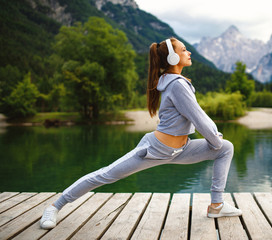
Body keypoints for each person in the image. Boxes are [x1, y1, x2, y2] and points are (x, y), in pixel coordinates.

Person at [39, 37, 242, 229]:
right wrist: (214, 140)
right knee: (106, 174)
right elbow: (199, 118)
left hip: (182, 149)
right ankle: (54, 207)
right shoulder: (178, 84)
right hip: (153, 150)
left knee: (226, 148)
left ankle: (216, 206)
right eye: (183, 50)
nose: (189, 52)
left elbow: (199, 117)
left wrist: (216, 141)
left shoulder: (174, 81)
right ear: (172, 58)